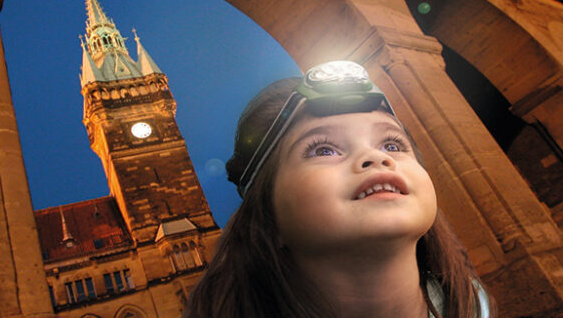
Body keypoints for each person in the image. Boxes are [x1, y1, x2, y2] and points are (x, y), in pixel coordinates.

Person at [185, 60, 493, 318]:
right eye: (323, 150)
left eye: (392, 143)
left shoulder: (474, 306)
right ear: (268, 217)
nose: (375, 157)